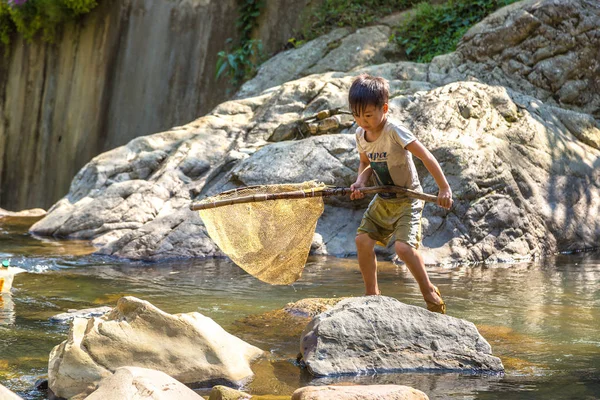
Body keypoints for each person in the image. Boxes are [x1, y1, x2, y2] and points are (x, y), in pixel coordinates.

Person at [348, 74, 452, 314]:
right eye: (356, 115)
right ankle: (372, 293)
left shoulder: (395, 131)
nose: (362, 121)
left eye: (368, 115)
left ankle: (428, 291)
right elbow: (365, 163)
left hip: (408, 198)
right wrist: (360, 182)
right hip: (384, 198)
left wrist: (444, 188)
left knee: (403, 249)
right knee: (362, 240)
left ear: (384, 109)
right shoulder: (360, 135)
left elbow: (426, 156)